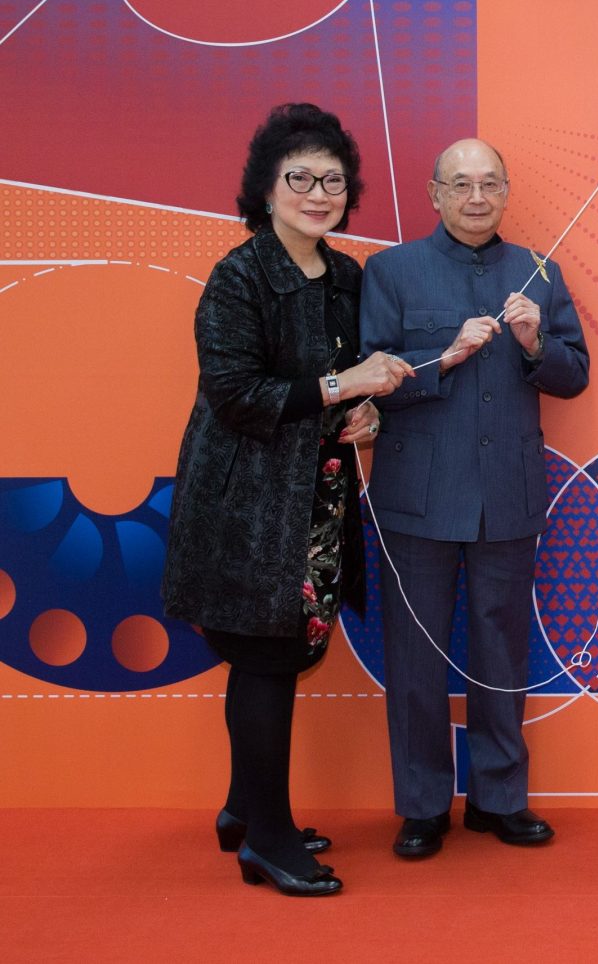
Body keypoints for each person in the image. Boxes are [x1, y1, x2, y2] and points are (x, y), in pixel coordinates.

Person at [161, 104, 414, 896]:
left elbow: (341, 390)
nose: (317, 194)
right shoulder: (239, 277)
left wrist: (364, 414)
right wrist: (345, 384)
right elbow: (237, 394)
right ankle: (268, 840)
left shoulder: (347, 278)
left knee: (278, 652)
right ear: (266, 190)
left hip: (318, 499)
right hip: (246, 506)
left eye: (333, 181)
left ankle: (245, 809)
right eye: (299, 178)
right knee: (266, 658)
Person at [362, 138, 590, 859]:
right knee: (415, 657)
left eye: (490, 183)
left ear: (507, 192)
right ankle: (423, 805)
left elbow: (574, 375)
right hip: (418, 496)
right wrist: (446, 356)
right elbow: (370, 380)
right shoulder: (391, 271)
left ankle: (499, 799)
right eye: (460, 184)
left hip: (508, 494)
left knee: (501, 651)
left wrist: (534, 344)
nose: (476, 197)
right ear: (434, 194)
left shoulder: (539, 271)